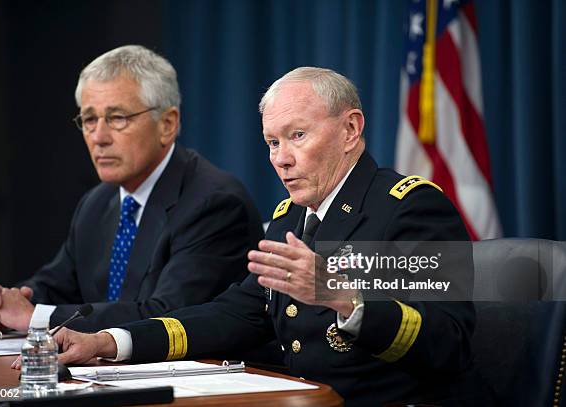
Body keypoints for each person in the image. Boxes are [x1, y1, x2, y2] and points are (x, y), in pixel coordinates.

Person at [32, 67, 480, 405]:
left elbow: (449, 341)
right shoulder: (290, 217)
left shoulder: (410, 206)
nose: (281, 159)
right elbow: (235, 314)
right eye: (271, 143)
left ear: (350, 129)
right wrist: (111, 342)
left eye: (297, 136)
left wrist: (350, 301)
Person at [0, 45, 264, 333]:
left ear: (167, 124)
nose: (99, 137)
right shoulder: (97, 202)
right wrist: (2, 305)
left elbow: (168, 316)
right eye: (89, 119)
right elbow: (54, 286)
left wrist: (36, 317)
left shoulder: (214, 203)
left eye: (117, 118)